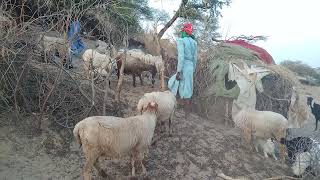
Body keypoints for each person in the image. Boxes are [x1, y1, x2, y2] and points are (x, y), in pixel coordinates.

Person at [168, 23, 198, 115]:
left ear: (184, 31)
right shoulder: (194, 42)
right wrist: (193, 69)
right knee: (188, 88)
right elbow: (195, 58)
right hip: (190, 66)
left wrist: (178, 71)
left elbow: (181, 57)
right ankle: (186, 112)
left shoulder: (181, 40)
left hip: (184, 66)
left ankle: (176, 108)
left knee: (173, 83)